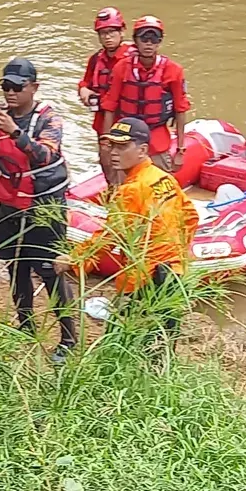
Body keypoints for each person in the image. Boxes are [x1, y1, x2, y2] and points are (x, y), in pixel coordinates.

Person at [0, 58, 76, 362]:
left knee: (50, 270)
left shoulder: (48, 119)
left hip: (44, 205)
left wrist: (14, 131)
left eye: (17, 87)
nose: (10, 93)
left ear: (33, 88)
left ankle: (68, 336)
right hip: (11, 202)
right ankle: (25, 325)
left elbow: (44, 154)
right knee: (16, 266)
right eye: (6, 86)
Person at [55, 118, 199, 331]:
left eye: (122, 146)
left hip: (145, 277)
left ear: (142, 150)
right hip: (174, 272)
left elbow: (111, 235)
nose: (114, 152)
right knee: (165, 341)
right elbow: (190, 216)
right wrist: (177, 253)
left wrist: (75, 260)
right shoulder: (163, 178)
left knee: (124, 339)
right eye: (111, 145)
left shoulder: (131, 189)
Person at [100, 16, 191, 173]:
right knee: (122, 187)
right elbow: (110, 106)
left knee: (159, 184)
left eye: (154, 39)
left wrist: (180, 150)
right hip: (125, 136)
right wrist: (106, 144)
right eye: (144, 38)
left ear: (160, 41)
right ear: (136, 40)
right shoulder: (121, 67)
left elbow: (180, 110)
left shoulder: (173, 70)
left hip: (156, 137)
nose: (149, 43)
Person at [78, 7, 135, 186]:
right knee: (108, 165)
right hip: (103, 125)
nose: (107, 37)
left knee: (129, 170)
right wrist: (84, 90)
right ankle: (113, 194)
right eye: (103, 33)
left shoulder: (135, 59)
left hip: (128, 126)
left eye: (111, 32)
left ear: (122, 31)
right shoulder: (96, 60)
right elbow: (85, 82)